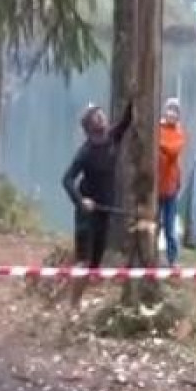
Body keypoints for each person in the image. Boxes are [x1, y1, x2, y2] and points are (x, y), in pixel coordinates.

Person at [61, 101, 133, 271]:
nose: (101, 117)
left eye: (101, 114)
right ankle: (74, 298)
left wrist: (133, 97)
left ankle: (78, 296)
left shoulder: (113, 137)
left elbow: (127, 120)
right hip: (87, 214)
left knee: (95, 264)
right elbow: (67, 179)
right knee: (83, 263)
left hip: (104, 209)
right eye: (96, 116)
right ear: (89, 127)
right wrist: (81, 201)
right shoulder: (85, 152)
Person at [157, 97, 187, 266]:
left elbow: (174, 151)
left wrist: (158, 143)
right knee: (154, 224)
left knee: (170, 226)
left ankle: (172, 259)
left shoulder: (179, 133)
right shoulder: (157, 129)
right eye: (170, 110)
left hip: (171, 187)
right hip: (155, 186)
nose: (172, 114)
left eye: (175, 111)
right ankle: (150, 257)